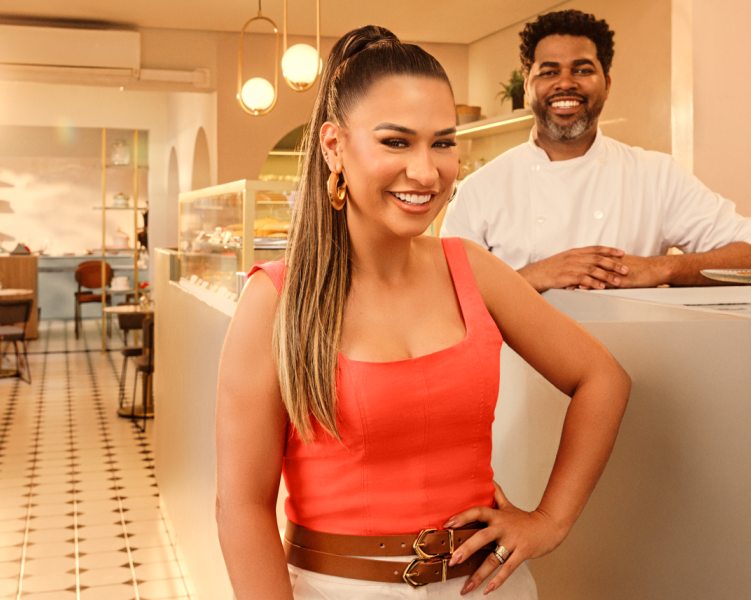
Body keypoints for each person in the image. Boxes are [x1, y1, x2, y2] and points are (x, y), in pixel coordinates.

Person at [215, 26, 630, 599]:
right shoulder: (277, 299)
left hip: (487, 587)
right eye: (396, 142)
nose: (427, 172)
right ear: (334, 146)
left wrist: (550, 521)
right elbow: (241, 506)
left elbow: (602, 378)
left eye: (441, 143)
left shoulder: (472, 269)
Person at [442, 10, 751, 293]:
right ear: (527, 88)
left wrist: (660, 267)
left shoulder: (655, 175)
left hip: (635, 355)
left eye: (581, 70)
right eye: (549, 72)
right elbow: (445, 293)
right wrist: (534, 276)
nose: (565, 83)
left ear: (607, 83)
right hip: (516, 360)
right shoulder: (479, 190)